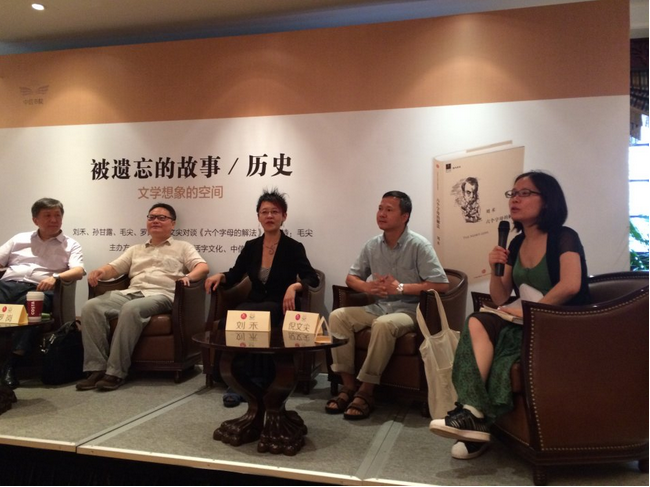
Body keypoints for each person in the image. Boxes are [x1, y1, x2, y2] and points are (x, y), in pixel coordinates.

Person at [429, 171, 589, 460]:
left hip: (560, 326)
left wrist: (530, 312)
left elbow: (571, 284)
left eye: (525, 193)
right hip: (525, 322)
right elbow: (501, 297)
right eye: (513, 194)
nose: (515, 199)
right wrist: (495, 269)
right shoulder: (515, 243)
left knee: (502, 357)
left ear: (547, 200)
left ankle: (474, 422)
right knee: (476, 321)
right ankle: (472, 413)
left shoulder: (564, 237)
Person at [326, 191, 449, 420]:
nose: (381, 214)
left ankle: (366, 391)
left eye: (389, 210)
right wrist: (367, 287)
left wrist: (401, 287)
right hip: (378, 307)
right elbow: (351, 278)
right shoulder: (372, 245)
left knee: (383, 324)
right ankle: (348, 386)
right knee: (337, 316)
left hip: (409, 311)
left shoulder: (419, 245)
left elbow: (441, 284)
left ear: (404, 216)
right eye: (380, 208)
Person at [204, 189, 319, 407]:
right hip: (254, 301)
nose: (269, 216)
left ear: (284, 216)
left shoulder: (293, 247)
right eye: (264, 212)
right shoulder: (252, 246)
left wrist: (294, 286)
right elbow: (235, 274)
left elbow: (311, 278)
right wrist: (220, 276)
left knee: (256, 316)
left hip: (279, 304)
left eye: (275, 211)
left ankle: (255, 379)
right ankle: (235, 379)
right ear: (258, 216)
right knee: (233, 318)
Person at [76, 203, 208, 392]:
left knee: (131, 309)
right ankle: (96, 369)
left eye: (162, 218)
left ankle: (115, 372)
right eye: (151, 217)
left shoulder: (183, 247)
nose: (155, 221)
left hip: (162, 295)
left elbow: (202, 267)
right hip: (131, 292)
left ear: (173, 224)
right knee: (91, 307)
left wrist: (188, 277)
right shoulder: (135, 249)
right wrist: (101, 272)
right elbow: (114, 268)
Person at [0, 198, 85, 389]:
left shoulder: (70, 244)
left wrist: (56, 277)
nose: (54, 220)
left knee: (30, 309)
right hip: (7, 285)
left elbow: (78, 271)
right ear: (35, 220)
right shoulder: (19, 239)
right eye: (47, 215)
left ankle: (11, 365)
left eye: (57, 215)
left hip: (38, 289)